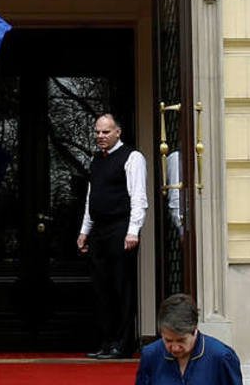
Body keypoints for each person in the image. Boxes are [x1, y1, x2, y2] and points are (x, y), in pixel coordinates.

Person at [76, 113, 148, 359]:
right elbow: (91, 197)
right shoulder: (96, 160)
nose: (100, 136)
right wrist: (84, 231)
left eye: (105, 132)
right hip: (99, 229)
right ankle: (106, 342)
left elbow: (138, 197)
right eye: (97, 132)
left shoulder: (132, 157)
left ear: (118, 132)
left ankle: (123, 343)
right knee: (101, 287)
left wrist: (133, 231)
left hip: (121, 229)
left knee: (121, 286)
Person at [135, 293, 243, 384]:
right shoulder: (151, 355)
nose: (175, 348)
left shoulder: (222, 357)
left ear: (195, 330)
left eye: (181, 340)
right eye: (168, 340)